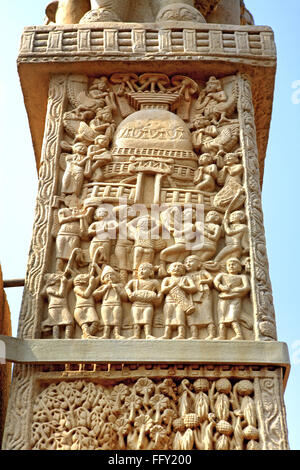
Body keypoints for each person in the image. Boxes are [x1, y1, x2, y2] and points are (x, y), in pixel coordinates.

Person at [213, 258, 250, 340]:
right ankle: (222, 335)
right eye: (229, 265)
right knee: (221, 317)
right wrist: (222, 287)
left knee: (233, 317)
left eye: (234, 264)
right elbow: (216, 281)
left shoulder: (242, 277)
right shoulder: (222, 275)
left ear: (240, 267)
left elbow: (247, 287)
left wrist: (236, 289)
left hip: (235, 299)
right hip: (223, 298)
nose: (231, 266)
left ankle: (239, 335)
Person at [160, 262, 197, 340]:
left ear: (183, 271)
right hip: (169, 301)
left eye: (179, 267)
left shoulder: (185, 278)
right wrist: (171, 286)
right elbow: (163, 290)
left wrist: (183, 287)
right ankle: (166, 334)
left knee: (180, 317)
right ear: (169, 270)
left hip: (181, 302)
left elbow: (193, 288)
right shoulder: (167, 279)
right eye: (174, 266)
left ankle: (181, 334)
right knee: (168, 317)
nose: (176, 268)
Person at [125, 263, 162, 340]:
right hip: (136, 304)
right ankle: (136, 335)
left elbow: (160, 291)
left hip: (148, 304)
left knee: (147, 319)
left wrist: (158, 297)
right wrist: (130, 294)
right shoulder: (134, 281)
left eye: (144, 269)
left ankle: (148, 334)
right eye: (140, 269)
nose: (141, 271)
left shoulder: (154, 282)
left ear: (151, 272)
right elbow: (127, 287)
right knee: (136, 320)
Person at [184, 255, 215, 340]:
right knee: (192, 316)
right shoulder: (186, 276)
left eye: (190, 261)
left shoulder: (202, 272)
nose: (187, 263)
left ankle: (211, 334)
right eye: (186, 262)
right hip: (191, 298)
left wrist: (203, 281)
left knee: (207, 315)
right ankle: (194, 335)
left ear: (199, 264)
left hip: (204, 295)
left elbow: (211, 279)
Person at [93, 266, 126, 339]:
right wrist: (104, 289)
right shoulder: (104, 286)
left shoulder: (119, 285)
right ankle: (106, 334)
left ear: (116, 277)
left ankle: (117, 334)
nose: (110, 277)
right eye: (107, 276)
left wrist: (118, 290)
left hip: (116, 304)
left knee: (117, 319)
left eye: (112, 275)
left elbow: (125, 297)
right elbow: (95, 295)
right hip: (105, 305)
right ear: (103, 279)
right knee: (106, 320)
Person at [73, 269, 100, 339]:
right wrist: (91, 285)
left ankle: (87, 335)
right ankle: (87, 334)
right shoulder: (77, 288)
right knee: (84, 324)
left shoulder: (90, 286)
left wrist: (96, 266)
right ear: (80, 281)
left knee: (95, 322)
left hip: (90, 307)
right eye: (83, 275)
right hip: (80, 308)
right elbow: (85, 295)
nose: (85, 275)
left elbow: (100, 276)